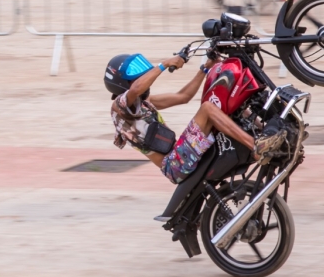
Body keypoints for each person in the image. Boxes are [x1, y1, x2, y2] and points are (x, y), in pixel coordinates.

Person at [106, 53, 286, 185]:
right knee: (208, 109)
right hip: (174, 164)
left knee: (222, 103)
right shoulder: (119, 110)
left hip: (179, 155)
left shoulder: (144, 104)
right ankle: (256, 145)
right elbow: (136, 89)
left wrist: (205, 68)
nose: (140, 80)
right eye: (136, 78)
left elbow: (183, 96)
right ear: (121, 85)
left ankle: (267, 132)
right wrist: (164, 63)